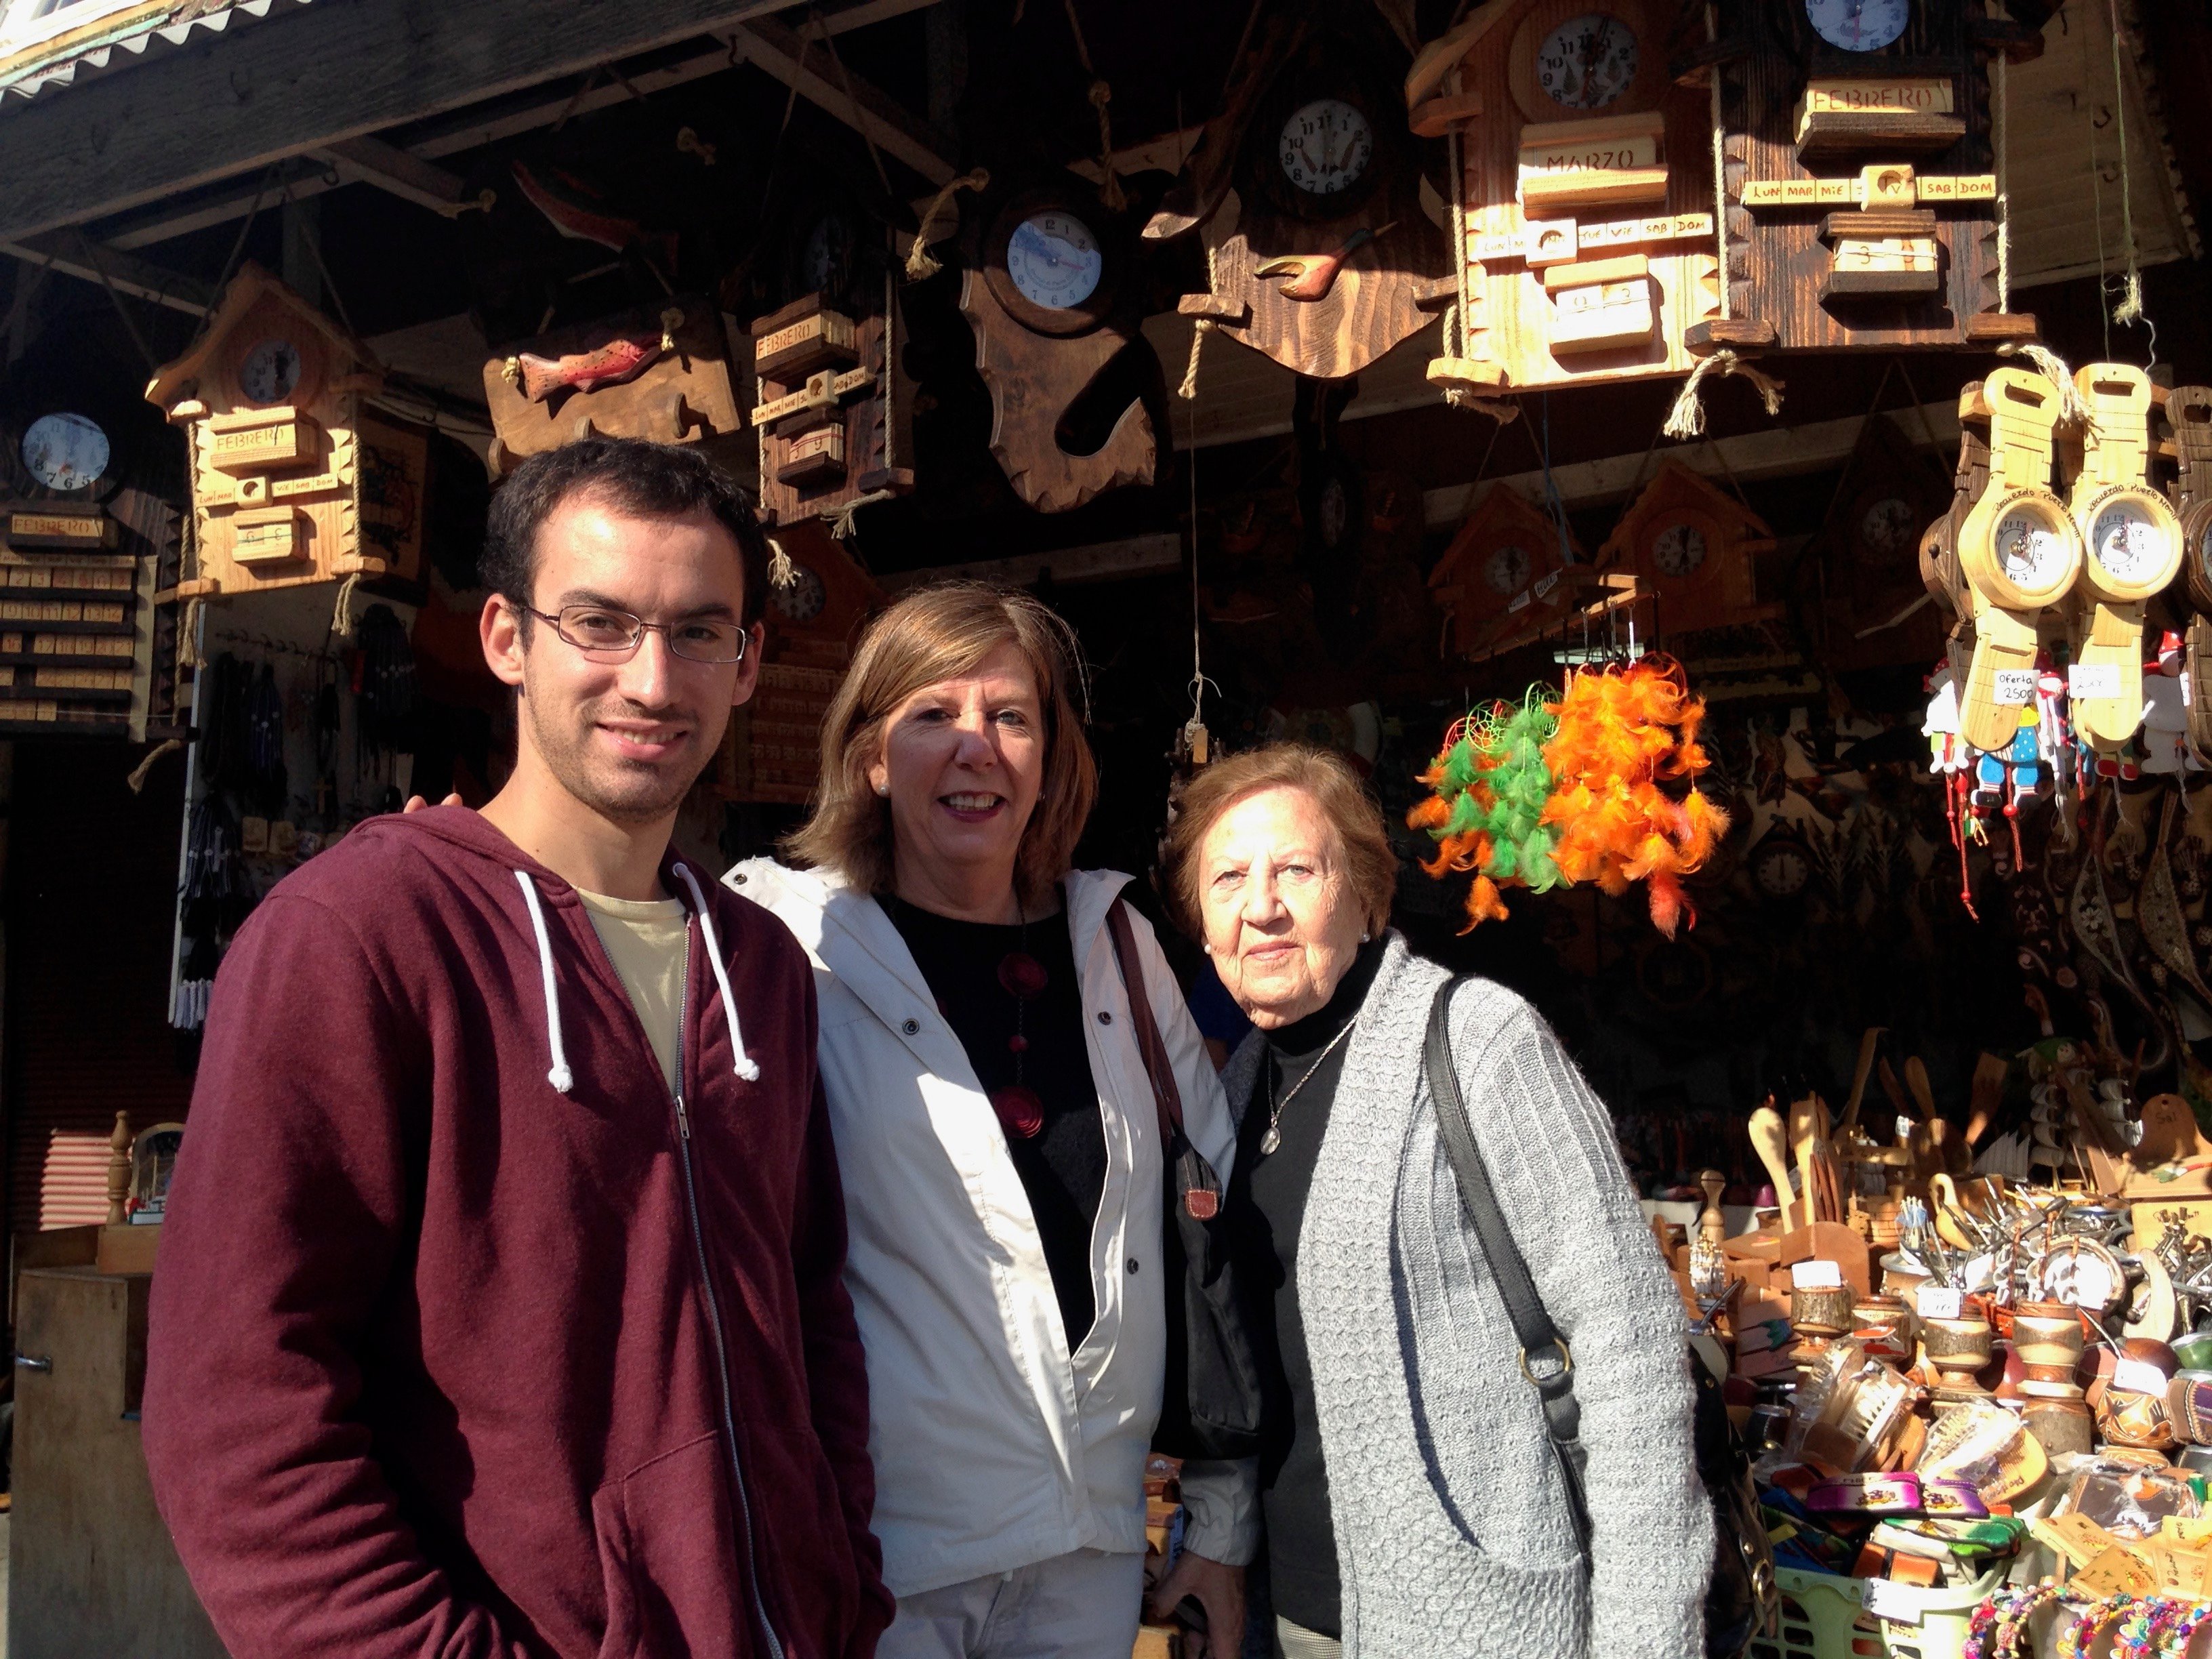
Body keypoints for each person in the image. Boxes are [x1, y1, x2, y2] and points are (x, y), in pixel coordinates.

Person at [143, 439, 891, 1659]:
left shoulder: (760, 966)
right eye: (599, 623)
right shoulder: (359, 936)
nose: (653, 680)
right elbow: (237, 1407)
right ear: (506, 638)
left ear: (749, 661)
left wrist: (841, 1589)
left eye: (701, 632)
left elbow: (813, 1314)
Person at [728, 583, 1254, 1659]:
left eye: (1012, 717)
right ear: (872, 755)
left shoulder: (1119, 943)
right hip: (877, 1561)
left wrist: (1222, 1520)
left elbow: (1218, 1231)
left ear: (1053, 758)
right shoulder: (784, 947)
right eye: (933, 715)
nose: (978, 748)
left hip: (1090, 1552)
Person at [1158, 743, 1712, 1659]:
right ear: (1203, 923)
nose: (1261, 906)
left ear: (1368, 894)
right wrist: (1216, 1543)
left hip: (1474, 1621)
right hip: (1282, 1618)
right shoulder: (1233, 1093)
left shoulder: (1479, 1042)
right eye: (1228, 879)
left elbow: (1631, 1349)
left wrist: (1647, 1638)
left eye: (1298, 868)